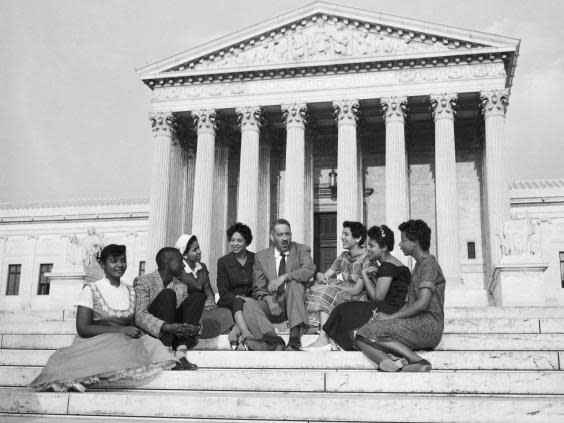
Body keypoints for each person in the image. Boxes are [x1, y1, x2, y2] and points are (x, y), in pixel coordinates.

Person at [30, 245, 179, 392]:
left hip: (125, 341)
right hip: (96, 339)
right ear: (102, 264)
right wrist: (119, 330)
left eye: (123, 260)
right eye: (114, 261)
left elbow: (134, 322)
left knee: (152, 346)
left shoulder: (131, 291)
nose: (120, 265)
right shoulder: (91, 289)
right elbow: (83, 328)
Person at [354, 219, 446, 372]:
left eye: (403, 240)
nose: (400, 245)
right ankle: (393, 365)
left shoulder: (428, 265)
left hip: (428, 326)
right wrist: (388, 315)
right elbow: (410, 303)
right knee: (361, 335)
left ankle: (417, 360)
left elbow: (423, 303)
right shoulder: (419, 265)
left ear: (414, 242)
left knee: (366, 331)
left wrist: (392, 317)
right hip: (416, 323)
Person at [322, 225, 410, 351]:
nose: (367, 249)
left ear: (384, 247)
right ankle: (334, 340)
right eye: (368, 245)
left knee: (344, 309)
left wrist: (364, 274)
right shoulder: (392, 263)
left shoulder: (387, 266)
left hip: (390, 310)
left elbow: (378, 297)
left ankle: (337, 341)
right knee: (347, 308)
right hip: (394, 306)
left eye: (372, 245)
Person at [243, 219, 315, 351]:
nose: (285, 238)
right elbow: (258, 288)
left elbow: (308, 270)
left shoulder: (301, 249)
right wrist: (269, 299)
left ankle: (294, 339)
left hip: (296, 302)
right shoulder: (261, 257)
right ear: (272, 237)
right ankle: (272, 340)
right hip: (275, 304)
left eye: (287, 234)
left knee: (294, 283)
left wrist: (284, 277)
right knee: (249, 305)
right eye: (280, 235)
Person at [303, 221, 370, 351]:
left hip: (359, 298)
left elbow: (356, 290)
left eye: (346, 234)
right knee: (321, 287)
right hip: (343, 294)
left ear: (358, 238)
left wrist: (332, 285)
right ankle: (327, 338)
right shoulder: (344, 256)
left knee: (327, 290)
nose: (341, 237)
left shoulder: (367, 258)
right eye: (342, 233)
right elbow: (325, 275)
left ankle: (324, 338)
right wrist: (321, 277)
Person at [135, 247, 204, 370]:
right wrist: (165, 326)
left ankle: (180, 352)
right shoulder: (144, 281)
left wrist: (195, 328)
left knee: (198, 297)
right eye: (180, 261)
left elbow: (185, 314)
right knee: (168, 294)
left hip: (175, 333)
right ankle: (166, 352)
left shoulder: (181, 286)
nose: (183, 266)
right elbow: (139, 315)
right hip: (155, 332)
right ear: (166, 261)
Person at [175, 234, 234, 340]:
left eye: (199, 248)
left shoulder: (202, 267)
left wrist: (210, 301)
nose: (199, 252)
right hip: (188, 310)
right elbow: (179, 296)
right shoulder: (178, 270)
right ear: (184, 255)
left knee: (226, 313)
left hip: (205, 308)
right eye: (194, 250)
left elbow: (208, 290)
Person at [216, 223, 255, 350]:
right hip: (229, 300)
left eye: (239, 240)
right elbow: (223, 290)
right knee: (239, 301)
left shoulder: (256, 259)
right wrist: (241, 298)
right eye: (232, 240)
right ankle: (246, 333)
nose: (235, 244)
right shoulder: (223, 262)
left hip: (251, 300)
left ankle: (235, 332)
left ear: (247, 242)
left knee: (247, 304)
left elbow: (260, 283)